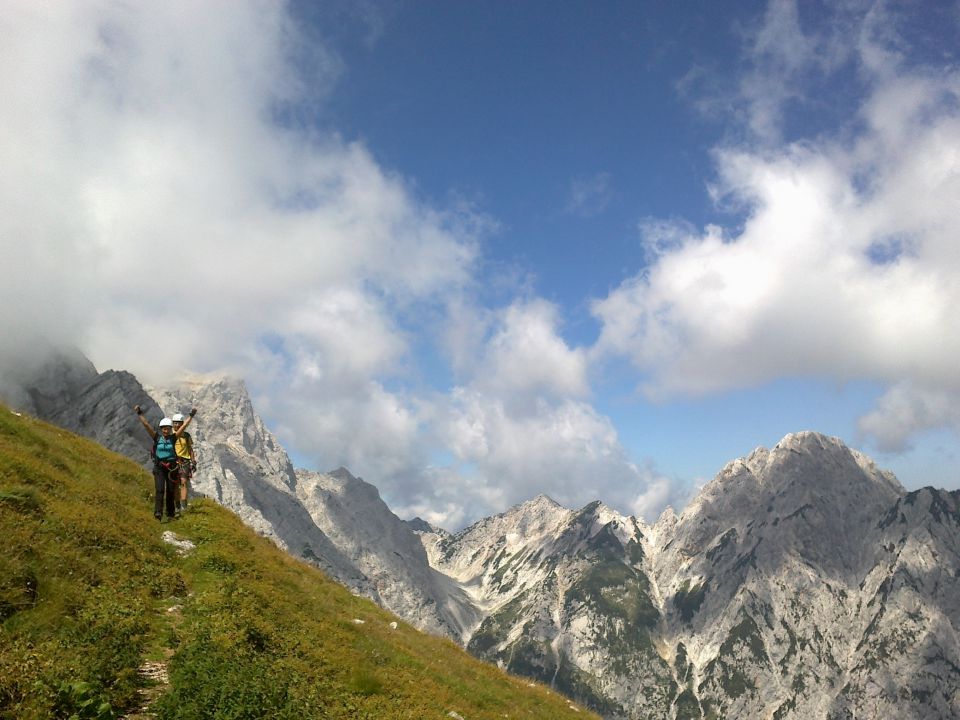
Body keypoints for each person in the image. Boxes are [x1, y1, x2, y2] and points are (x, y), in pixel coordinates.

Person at [135, 405, 196, 521]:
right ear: (161, 429)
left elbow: (184, 426)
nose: (166, 430)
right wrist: (139, 413)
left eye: (167, 428)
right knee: (159, 490)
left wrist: (191, 415)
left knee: (171, 490)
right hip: (159, 468)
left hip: (172, 468)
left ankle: (170, 514)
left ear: (170, 428)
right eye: (164, 428)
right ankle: (158, 513)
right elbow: (146, 425)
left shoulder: (173, 438)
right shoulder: (157, 437)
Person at [171, 413, 196, 513]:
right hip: (173, 460)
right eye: (175, 423)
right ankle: (177, 505)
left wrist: (193, 461)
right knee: (175, 483)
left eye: (179, 423)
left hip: (184, 461)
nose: (177, 425)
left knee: (183, 482)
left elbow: (190, 449)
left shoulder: (186, 436)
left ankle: (183, 505)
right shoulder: (171, 435)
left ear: (182, 424)